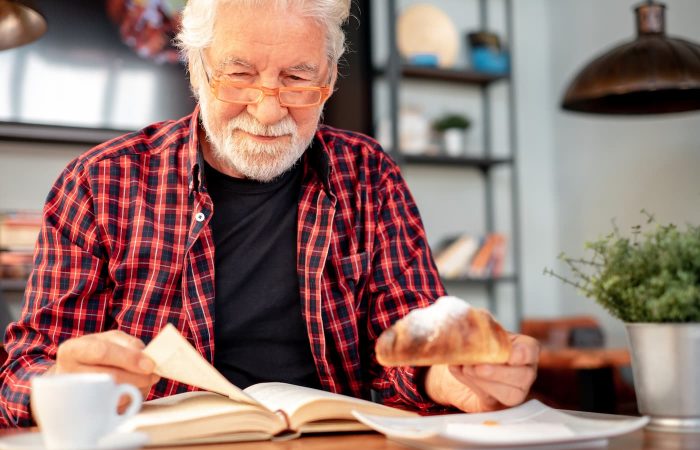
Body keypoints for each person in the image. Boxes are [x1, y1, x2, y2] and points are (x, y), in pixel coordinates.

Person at [0, 0, 539, 427]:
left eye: (298, 78)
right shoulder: (98, 184)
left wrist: (451, 377)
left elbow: (411, 338)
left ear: (328, 77)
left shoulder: (369, 174)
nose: (268, 108)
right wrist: (59, 384)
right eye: (239, 74)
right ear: (197, 69)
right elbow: (19, 375)